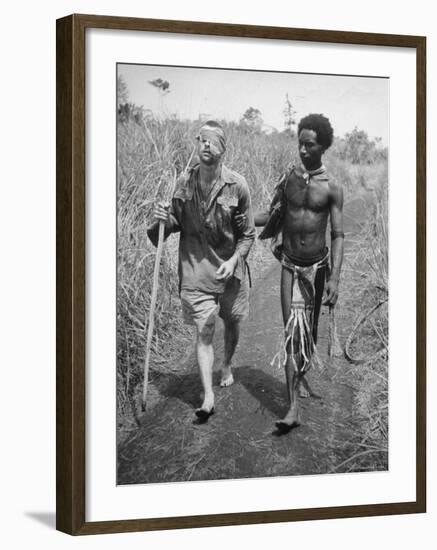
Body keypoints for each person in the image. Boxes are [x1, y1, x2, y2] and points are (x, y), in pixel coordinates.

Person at [147, 121, 255, 423]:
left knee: (231, 323)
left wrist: (235, 261)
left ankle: (227, 363)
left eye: (212, 140)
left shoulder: (237, 186)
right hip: (196, 271)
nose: (205, 144)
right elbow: (162, 234)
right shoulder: (183, 184)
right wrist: (160, 220)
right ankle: (208, 396)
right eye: (201, 139)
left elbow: (247, 235)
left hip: (229, 271)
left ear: (223, 147)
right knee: (205, 329)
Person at [255, 113, 344, 432]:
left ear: (323, 146)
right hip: (290, 265)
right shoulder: (288, 179)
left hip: (317, 268)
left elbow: (337, 234)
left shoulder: (332, 188)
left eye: (310, 145)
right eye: (300, 144)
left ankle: (301, 377)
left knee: (311, 335)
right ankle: (292, 406)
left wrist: (334, 278)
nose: (303, 150)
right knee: (293, 334)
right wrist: (238, 217)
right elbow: (271, 214)